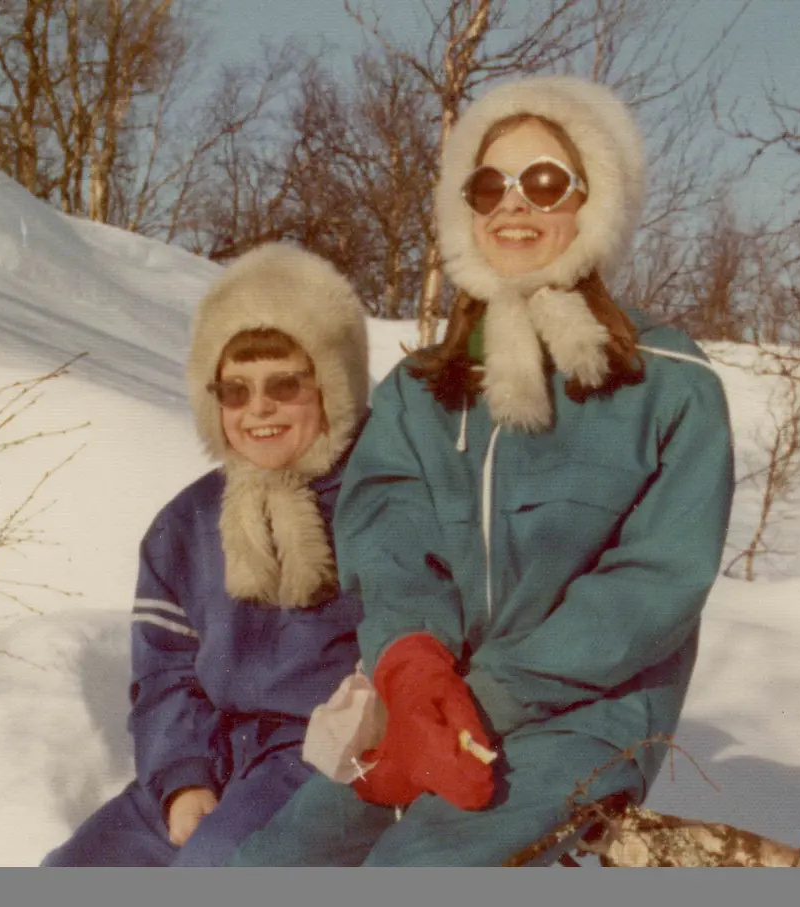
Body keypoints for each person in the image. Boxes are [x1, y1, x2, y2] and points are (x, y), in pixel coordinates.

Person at [231, 74, 735, 867]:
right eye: (488, 183)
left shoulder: (670, 381)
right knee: (266, 864)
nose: (514, 203)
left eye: (544, 182)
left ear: (591, 201)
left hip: (588, 717)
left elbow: (655, 583)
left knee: (417, 868)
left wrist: (483, 696)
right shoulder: (421, 389)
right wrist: (414, 664)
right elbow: (388, 536)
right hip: (428, 699)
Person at [40, 243, 371, 866]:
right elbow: (164, 671)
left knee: (219, 870)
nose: (259, 408)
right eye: (236, 391)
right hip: (211, 753)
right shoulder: (189, 521)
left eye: (285, 385)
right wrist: (183, 778)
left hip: (321, 763)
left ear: (333, 385)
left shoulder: (376, 504)